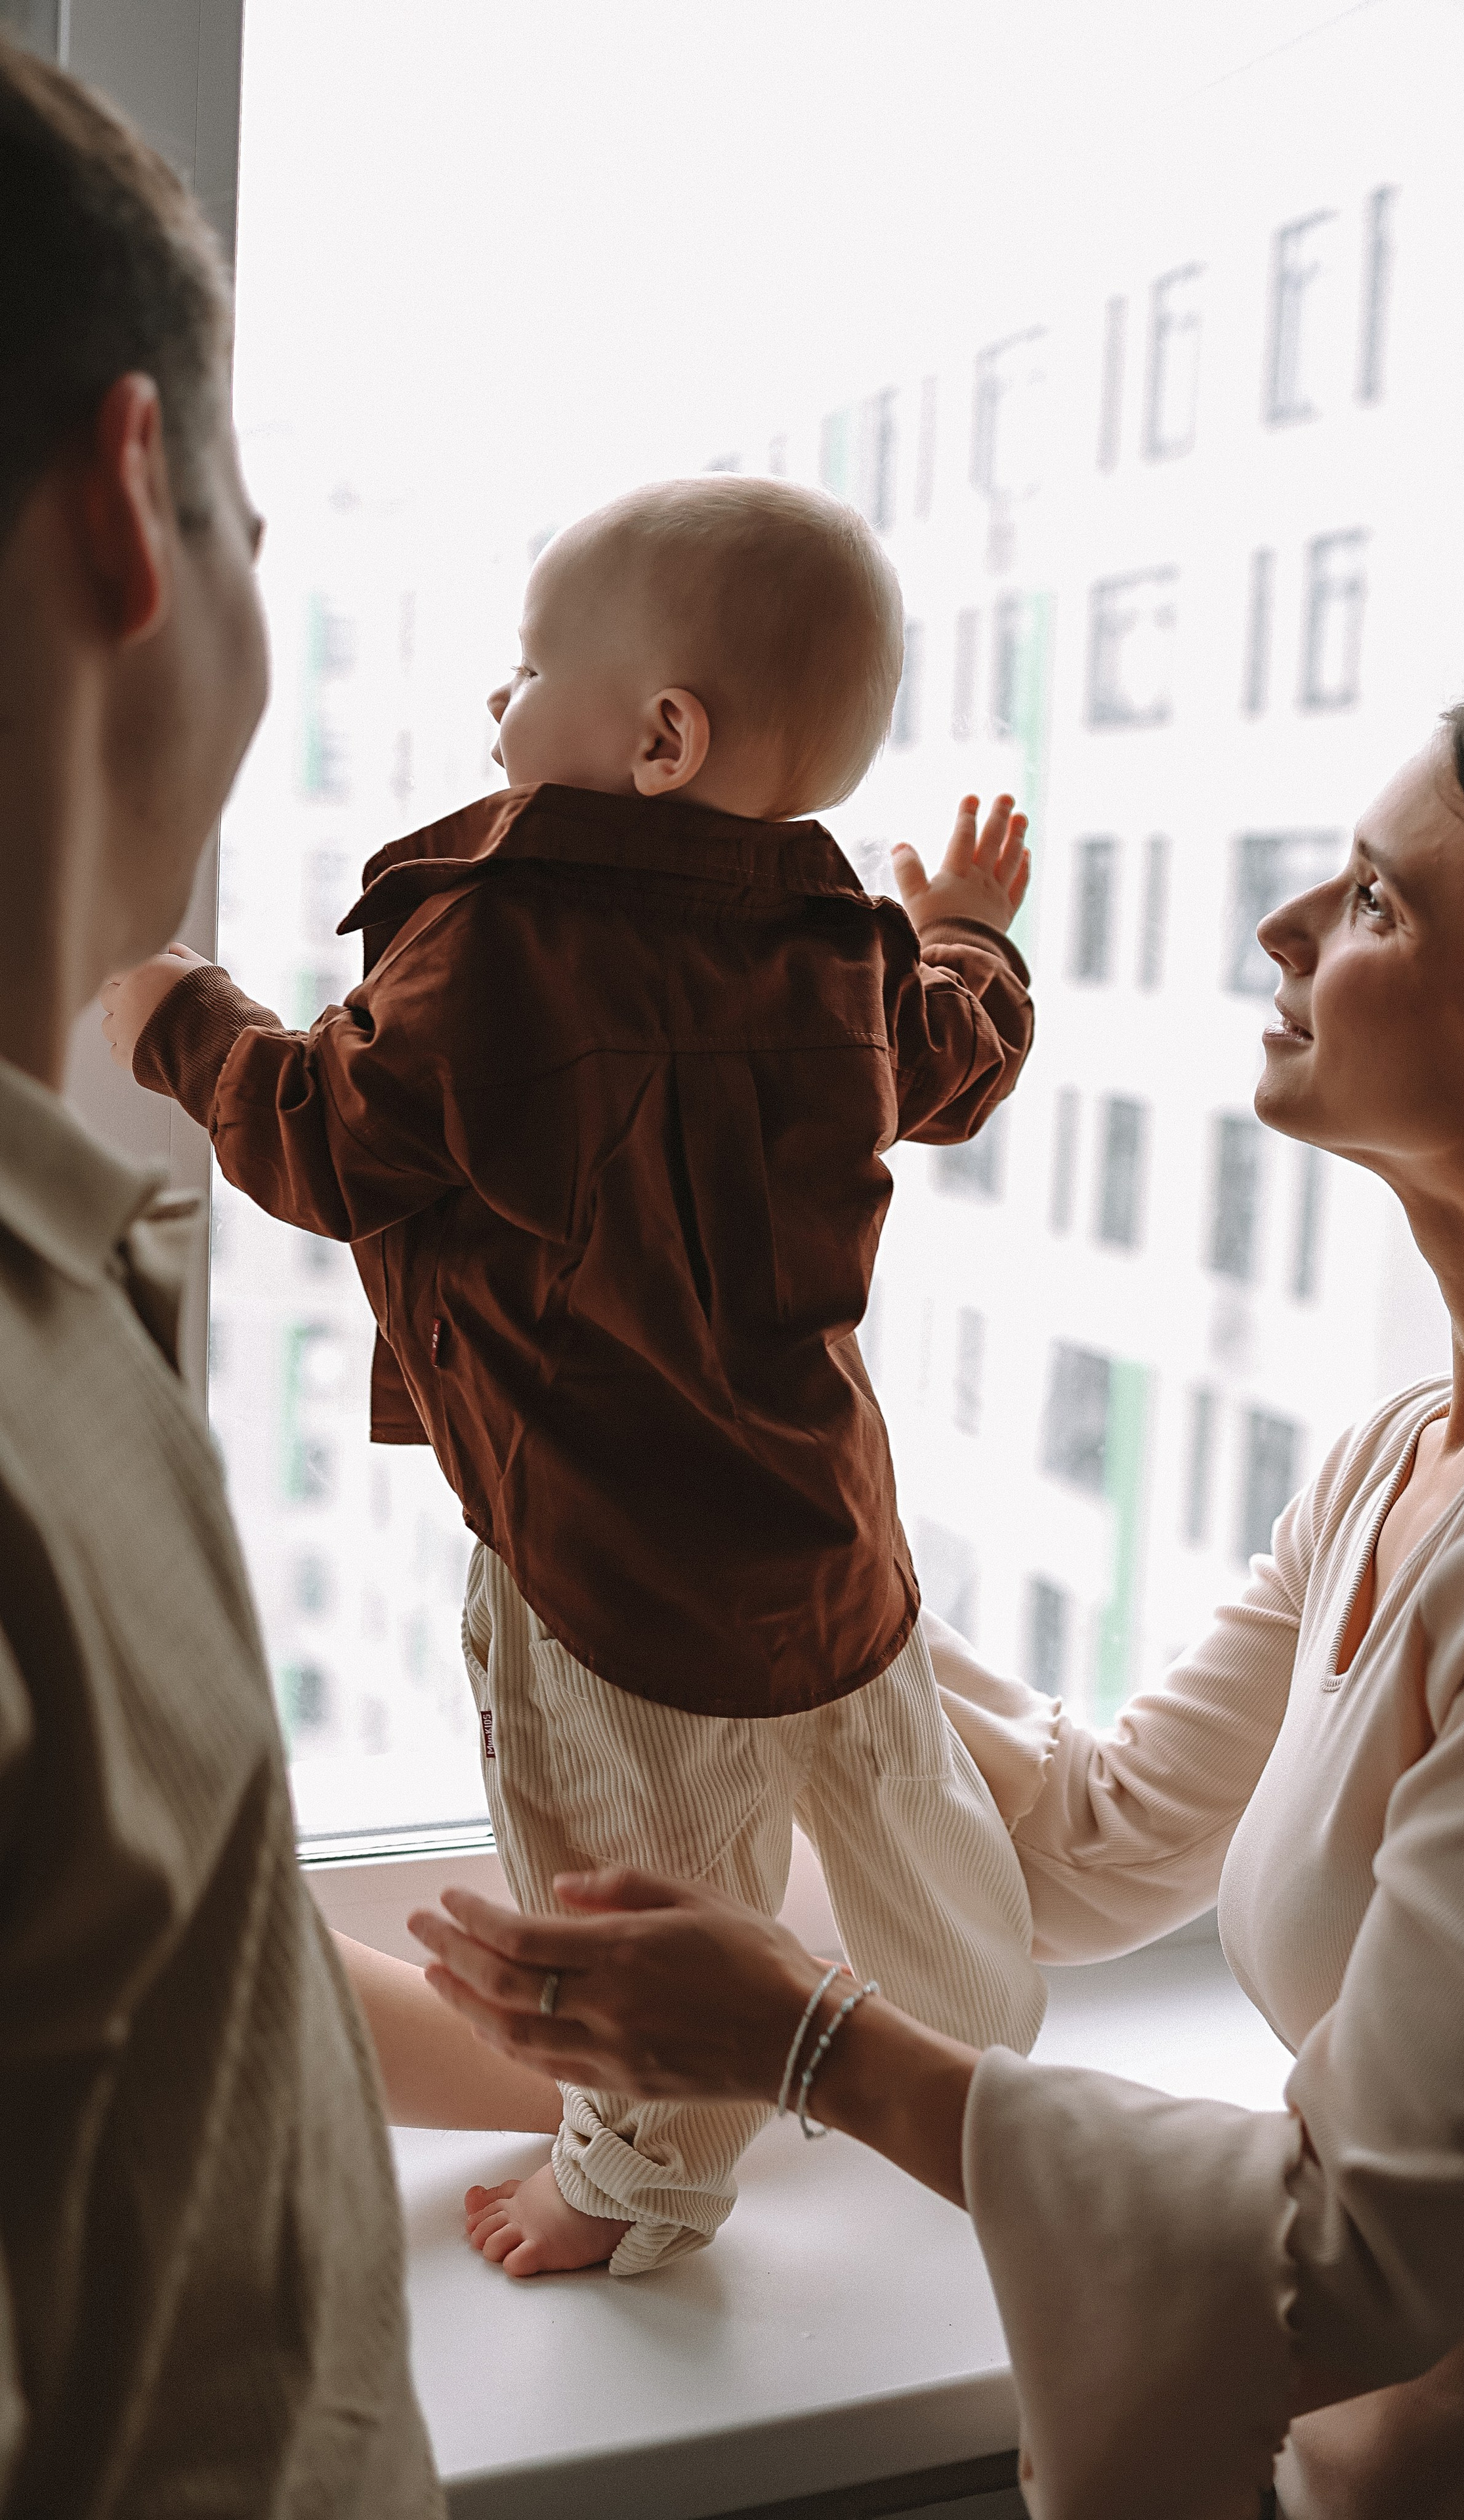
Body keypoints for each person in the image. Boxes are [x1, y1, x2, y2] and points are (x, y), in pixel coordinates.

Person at [404, 690, 1464, 2517]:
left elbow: (1350, 2263)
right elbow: (1097, 1846)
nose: (1284, 930)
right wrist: (741, 1546)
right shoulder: (1405, 1454)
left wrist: (803, 2044)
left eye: (1380, 904)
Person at [100, 477, 1047, 2279]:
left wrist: (177, 1012)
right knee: (904, 1824)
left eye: (528, 670)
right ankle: (993, 2082)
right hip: (829, 1536)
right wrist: (974, 931)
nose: (497, 704)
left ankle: (635, 2185)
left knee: (633, 1891)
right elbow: (955, 1058)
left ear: (661, 736)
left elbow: (324, 1141)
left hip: (610, 1575)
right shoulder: (843, 940)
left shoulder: (501, 937)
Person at [0, 39, 448, 2516]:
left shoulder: (65, 1287)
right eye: (258, 519)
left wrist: (658, 2042)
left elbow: (141, 1983)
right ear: (131, 509)